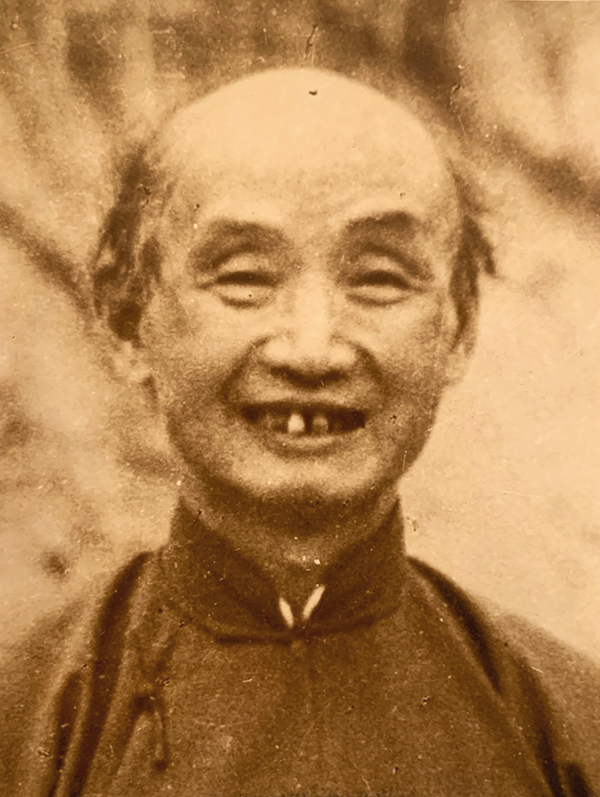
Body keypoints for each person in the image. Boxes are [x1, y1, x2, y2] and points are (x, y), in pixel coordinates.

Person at [1, 67, 599, 797]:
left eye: (378, 277)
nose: (312, 349)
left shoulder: (568, 727)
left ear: (459, 327)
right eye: (245, 276)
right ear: (127, 317)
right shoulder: (29, 720)